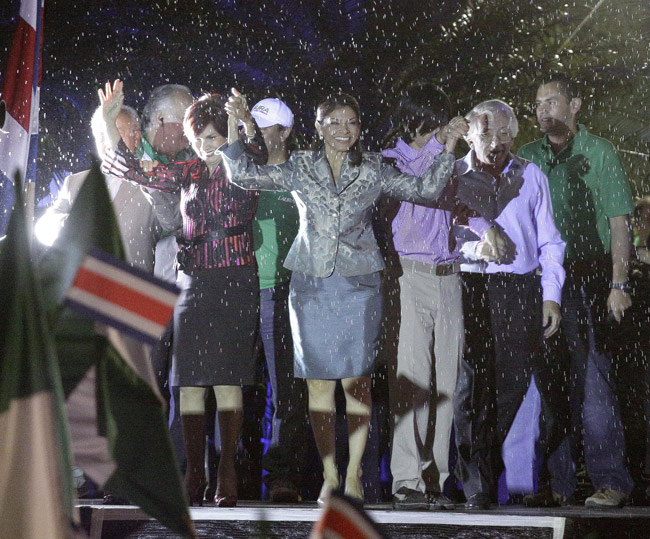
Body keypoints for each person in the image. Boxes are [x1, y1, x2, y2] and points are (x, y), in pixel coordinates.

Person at [221, 89, 467, 503]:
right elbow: (243, 175)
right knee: (317, 386)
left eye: (350, 122)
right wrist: (236, 125)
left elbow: (425, 190)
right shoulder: (299, 166)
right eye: (333, 122)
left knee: (357, 384)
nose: (342, 129)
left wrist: (450, 147)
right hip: (311, 285)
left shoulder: (372, 168)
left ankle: (354, 474)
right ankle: (330, 475)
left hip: (359, 286)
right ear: (317, 127)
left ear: (359, 128)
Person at [102, 84, 263, 508]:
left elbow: (257, 151)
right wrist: (109, 122)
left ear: (225, 137)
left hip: (235, 280)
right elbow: (136, 169)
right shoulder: (188, 172)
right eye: (198, 139)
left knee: (228, 381)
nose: (205, 146)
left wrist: (241, 122)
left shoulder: (243, 168)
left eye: (212, 137)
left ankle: (226, 472)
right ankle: (195, 474)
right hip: (193, 282)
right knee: (188, 383)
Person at [380, 83, 505, 510]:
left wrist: (486, 229)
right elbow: (422, 188)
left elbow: (463, 202)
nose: (438, 128)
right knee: (412, 380)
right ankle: (406, 480)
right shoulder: (390, 160)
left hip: (450, 276)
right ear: (416, 119)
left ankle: (436, 479)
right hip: (409, 276)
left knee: (448, 382)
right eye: (432, 122)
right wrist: (445, 144)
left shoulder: (446, 160)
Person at [518, 73, 636, 508]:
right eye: (538, 103)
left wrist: (618, 283)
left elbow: (619, 222)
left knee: (594, 382)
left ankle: (612, 480)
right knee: (549, 383)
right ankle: (555, 483)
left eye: (552, 100)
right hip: (543, 278)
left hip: (590, 275)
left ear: (576, 105)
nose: (544, 109)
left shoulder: (599, 152)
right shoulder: (527, 157)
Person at [452, 99, 565, 510]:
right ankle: (476, 484)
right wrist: (474, 247)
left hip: (520, 290)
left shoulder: (531, 175)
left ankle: (486, 467)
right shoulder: (452, 175)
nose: (495, 142)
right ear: (468, 134)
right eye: (485, 133)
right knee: (470, 386)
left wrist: (551, 295)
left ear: (515, 134)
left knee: (511, 386)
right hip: (469, 287)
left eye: (503, 133)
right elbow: (439, 236)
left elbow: (550, 239)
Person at [243, 97, 308, 502]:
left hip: (286, 289)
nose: (256, 133)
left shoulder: (300, 172)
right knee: (236, 385)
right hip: (241, 286)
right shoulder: (242, 168)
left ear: (284, 131)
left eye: (265, 127)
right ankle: (238, 470)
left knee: (286, 388)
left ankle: (283, 473)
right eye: (253, 126)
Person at [34, 104, 161, 271]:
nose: (108, 140)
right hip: (79, 288)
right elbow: (43, 228)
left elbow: (172, 225)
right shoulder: (74, 182)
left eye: (115, 132)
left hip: (128, 289)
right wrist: (73, 225)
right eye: (102, 134)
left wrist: (150, 181)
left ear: (136, 138)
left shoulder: (153, 182)